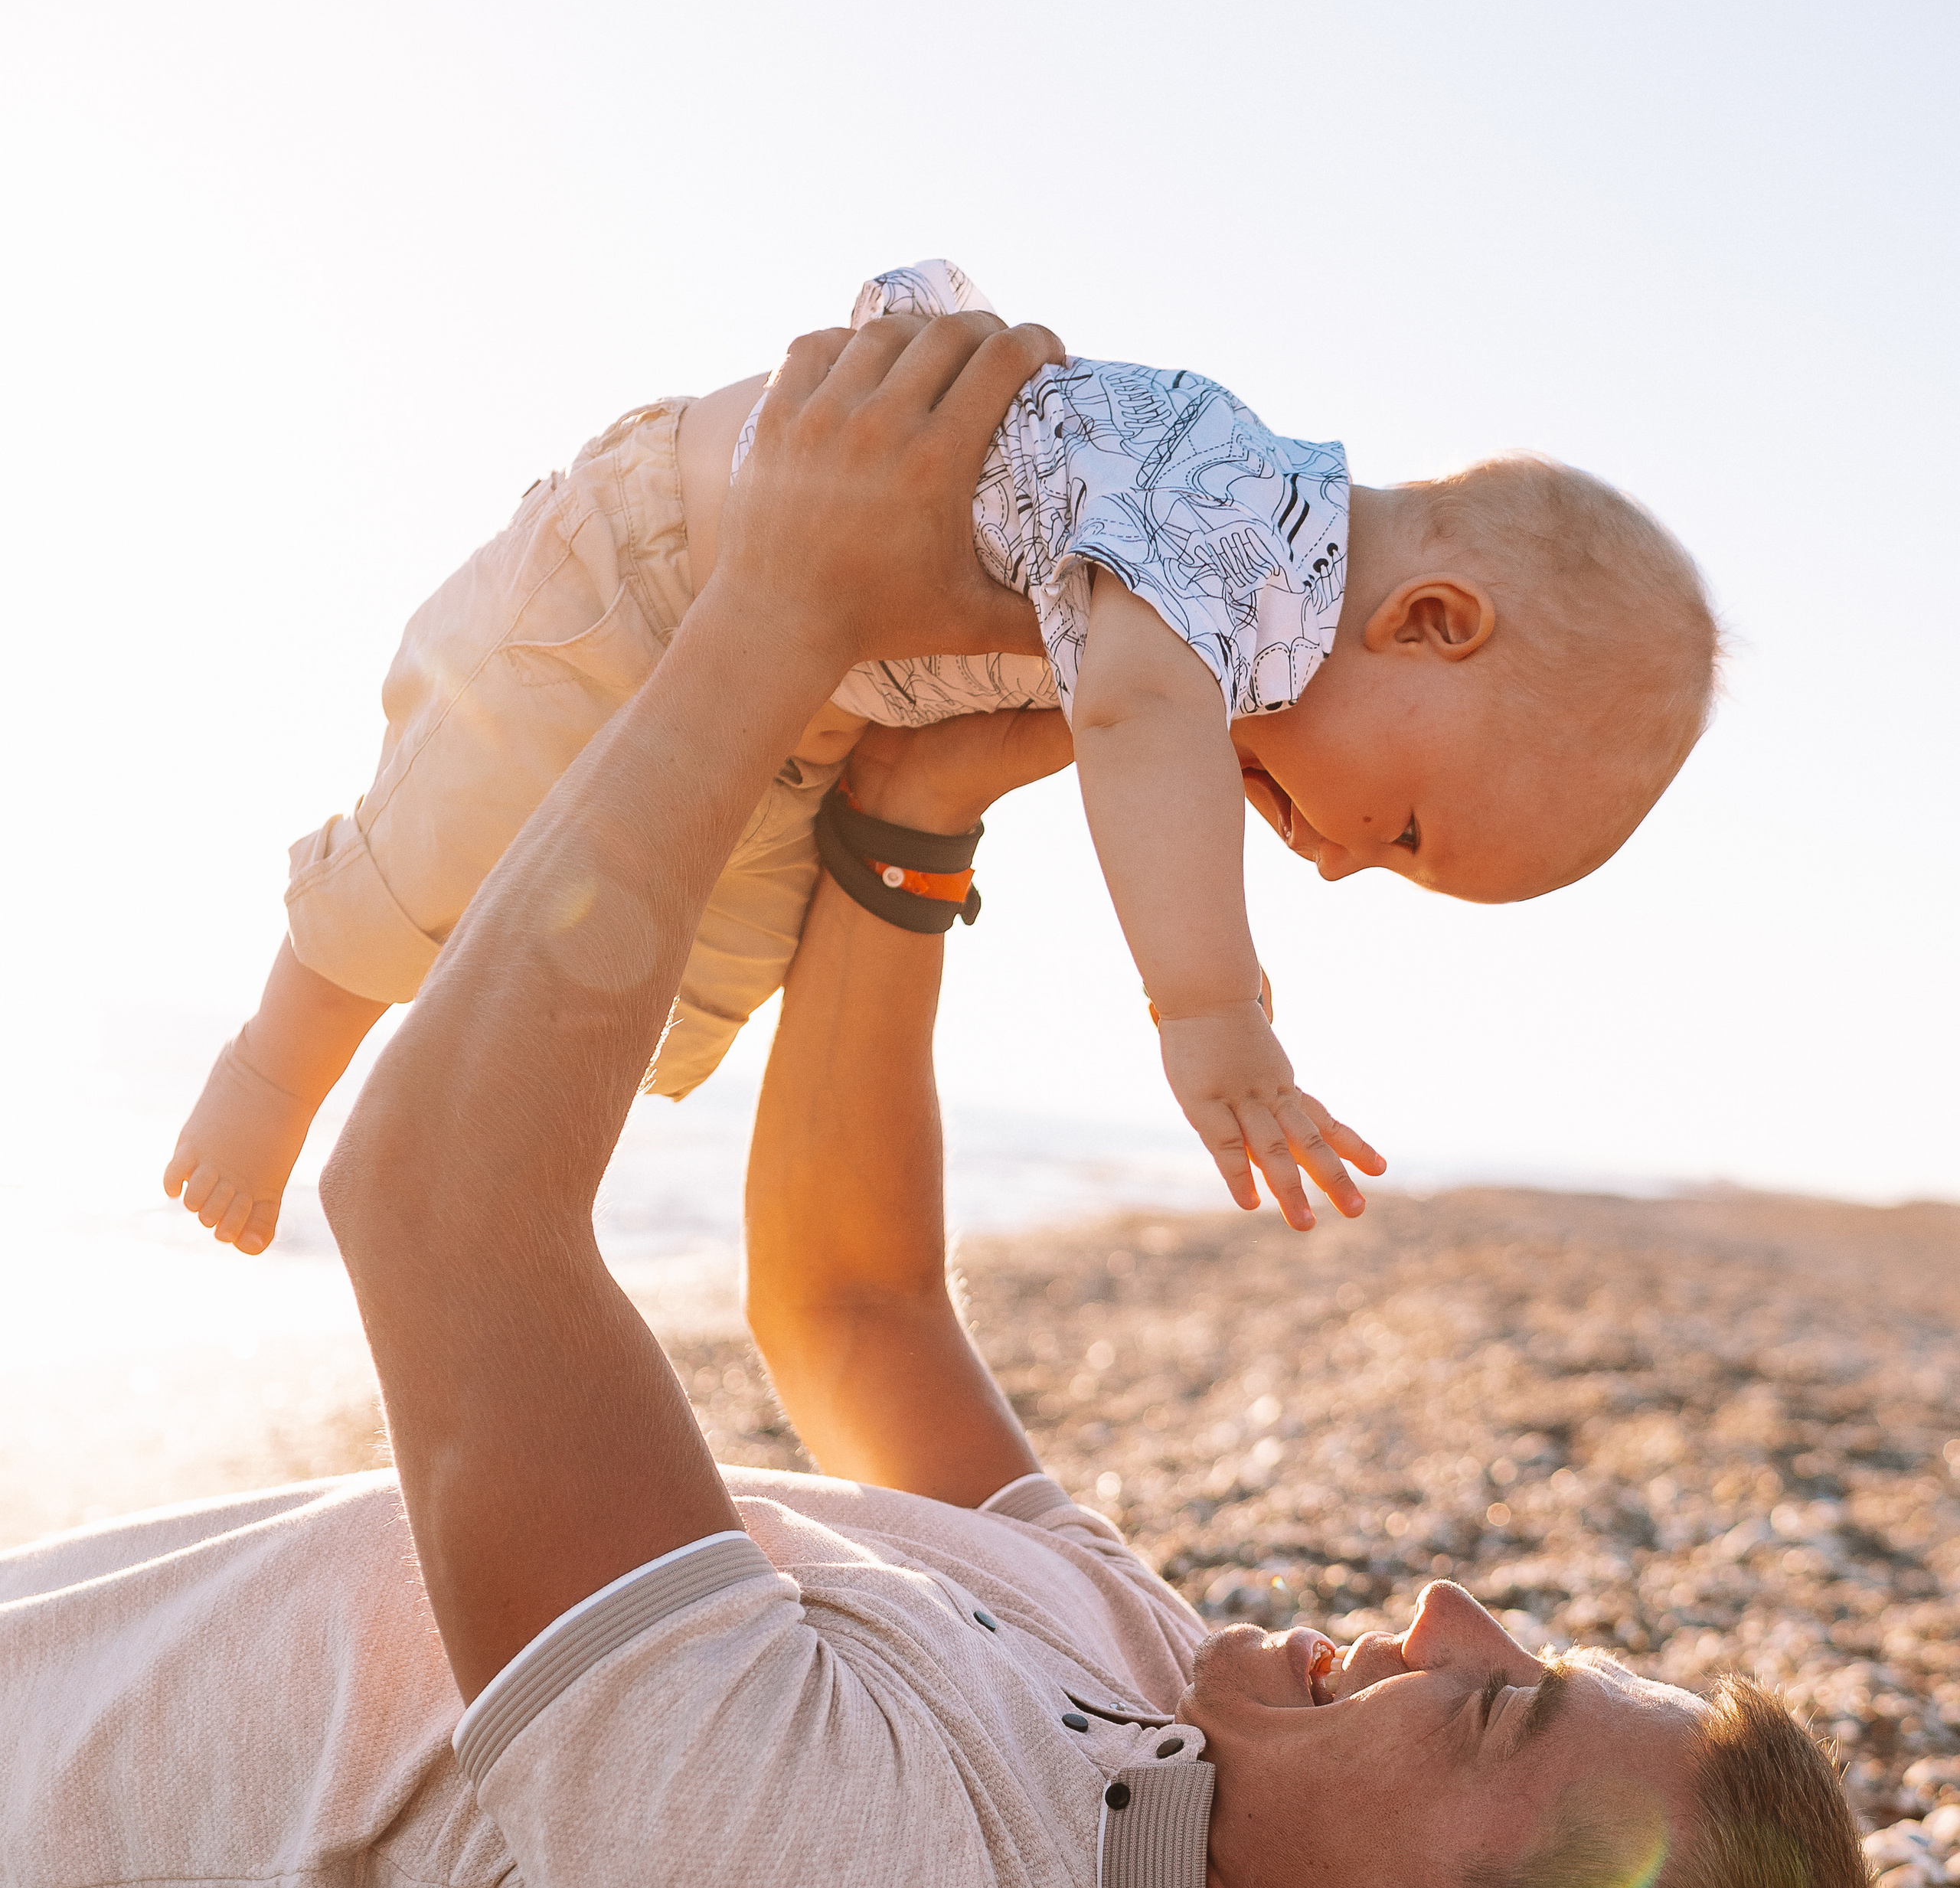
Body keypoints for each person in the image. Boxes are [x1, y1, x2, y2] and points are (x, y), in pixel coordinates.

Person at [13, 309, 1870, 1888]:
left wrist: (770, 615)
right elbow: (848, 1310)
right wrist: (906, 820)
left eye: (1496, 1714)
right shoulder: (1169, 1729)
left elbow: (435, 1204)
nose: (1447, 1609)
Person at [165, 259, 1720, 1258]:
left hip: (807, 703)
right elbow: (1132, 727)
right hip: (647, 578)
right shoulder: (1239, 524)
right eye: (1405, 835)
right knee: (441, 848)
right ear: (1432, 622)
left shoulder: (1235, 601)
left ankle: (466, 1187)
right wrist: (1213, 1018)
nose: (1329, 858)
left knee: (671, 968)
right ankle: (270, 1069)